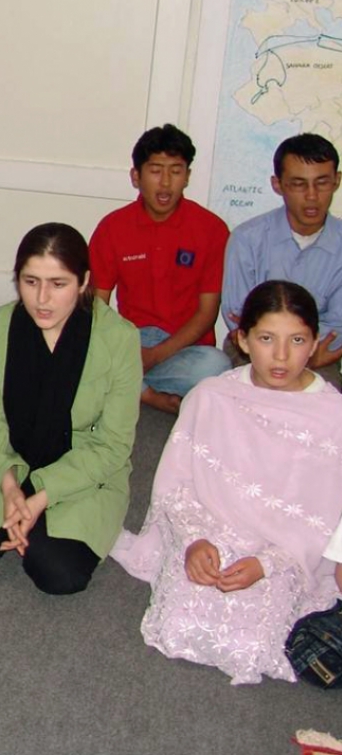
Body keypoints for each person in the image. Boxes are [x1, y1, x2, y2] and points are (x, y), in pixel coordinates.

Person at [113, 280, 342, 684]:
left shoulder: (332, 416)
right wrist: (196, 540)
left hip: (286, 549)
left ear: (315, 343)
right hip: (212, 528)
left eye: (298, 340)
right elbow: (177, 483)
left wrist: (266, 564)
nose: (282, 356)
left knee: (255, 643)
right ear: (243, 339)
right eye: (267, 338)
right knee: (180, 622)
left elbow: (321, 518)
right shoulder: (212, 395)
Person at [0, 223, 141, 595]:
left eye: (58, 284)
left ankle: (43, 522)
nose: (42, 298)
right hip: (14, 456)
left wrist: (41, 496)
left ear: (84, 281)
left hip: (82, 467)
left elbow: (113, 445)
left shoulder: (119, 338)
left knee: (57, 572)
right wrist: (10, 487)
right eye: (30, 282)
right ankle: (19, 515)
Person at [89, 125, 230, 413]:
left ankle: (127, 384)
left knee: (217, 367)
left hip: (185, 346)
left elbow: (207, 314)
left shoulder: (211, 229)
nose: (165, 183)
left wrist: (155, 355)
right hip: (131, 338)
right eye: (155, 170)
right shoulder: (112, 228)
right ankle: (148, 395)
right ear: (136, 176)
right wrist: (126, 351)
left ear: (187, 176)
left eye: (176, 171)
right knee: (77, 345)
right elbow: (96, 307)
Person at [222, 133, 342, 388]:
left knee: (325, 402)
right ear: (278, 184)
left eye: (321, 183)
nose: (311, 196)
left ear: (336, 181)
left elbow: (339, 325)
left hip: (319, 352)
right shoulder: (247, 239)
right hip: (252, 349)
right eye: (298, 184)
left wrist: (302, 350)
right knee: (249, 403)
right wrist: (278, 349)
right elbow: (238, 316)